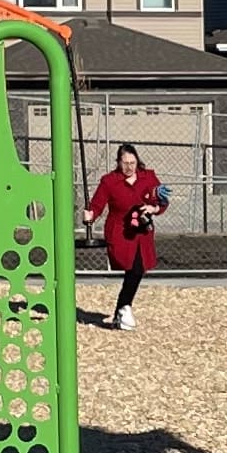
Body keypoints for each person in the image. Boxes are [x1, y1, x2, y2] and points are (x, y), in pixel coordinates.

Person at [87, 141, 169, 333]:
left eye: (132, 163)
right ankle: (123, 309)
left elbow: (161, 201)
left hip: (142, 232)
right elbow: (97, 205)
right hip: (120, 233)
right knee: (132, 268)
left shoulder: (148, 178)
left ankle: (122, 309)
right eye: (125, 163)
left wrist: (153, 208)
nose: (129, 167)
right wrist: (90, 215)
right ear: (118, 162)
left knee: (138, 269)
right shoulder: (109, 181)